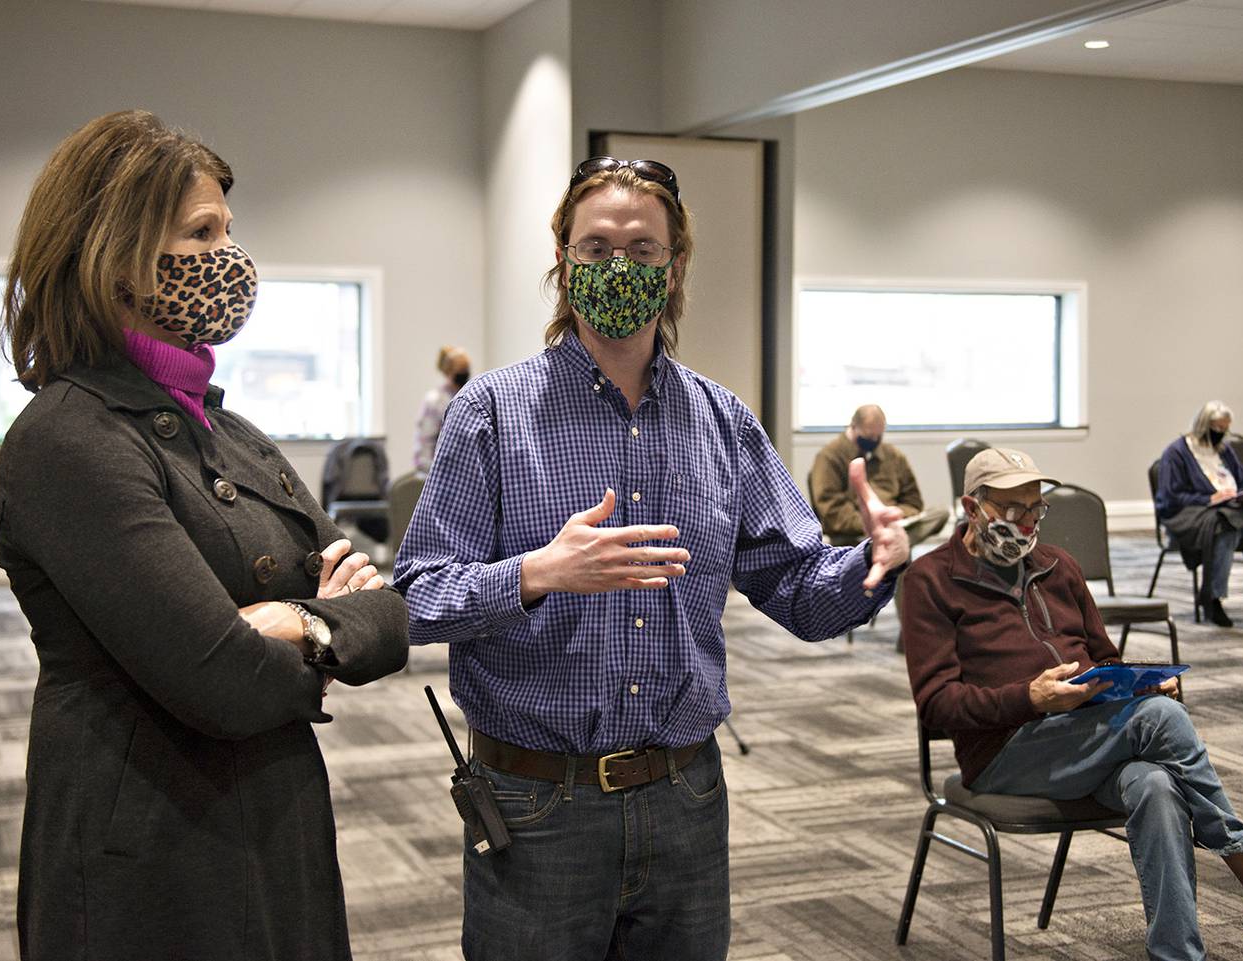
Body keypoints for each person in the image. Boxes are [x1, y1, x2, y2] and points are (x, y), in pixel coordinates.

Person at [393, 156, 911, 961]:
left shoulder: (722, 420)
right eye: (595, 247)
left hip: (686, 799)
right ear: (563, 265)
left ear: (674, 268)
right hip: (538, 804)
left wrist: (873, 563)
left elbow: (800, 588)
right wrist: (537, 573)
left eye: (641, 248)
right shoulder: (491, 414)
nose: (617, 266)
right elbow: (417, 595)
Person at [0, 110, 409, 961]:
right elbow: (225, 681)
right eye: (201, 231)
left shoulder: (231, 430)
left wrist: (290, 621)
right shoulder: (69, 438)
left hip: (275, 820)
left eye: (229, 228)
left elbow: (390, 613)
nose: (230, 256)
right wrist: (317, 611)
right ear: (114, 255)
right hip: (149, 853)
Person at [901, 447, 1243, 961]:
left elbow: (1104, 657)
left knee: (1154, 783)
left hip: (1090, 739)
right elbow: (937, 705)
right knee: (1160, 720)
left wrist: (1137, 685)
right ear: (973, 509)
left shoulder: (1057, 567)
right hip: (1003, 756)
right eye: (1012, 510)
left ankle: (1178, 955)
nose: (1026, 522)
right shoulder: (930, 581)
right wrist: (1030, 698)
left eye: (1035, 509)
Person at [1156, 400, 1243, 627]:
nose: (1221, 434)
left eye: (1224, 429)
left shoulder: (1225, 451)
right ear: (1203, 425)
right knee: (1226, 527)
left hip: (1233, 509)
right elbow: (1170, 497)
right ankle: (1213, 598)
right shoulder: (1176, 453)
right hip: (1193, 515)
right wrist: (1208, 499)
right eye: (1216, 429)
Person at [810, 403, 948, 546]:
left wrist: (897, 515)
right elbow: (832, 511)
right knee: (885, 539)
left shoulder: (893, 456)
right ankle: (886, 544)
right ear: (853, 427)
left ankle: (888, 543)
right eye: (869, 436)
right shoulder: (829, 457)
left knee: (940, 513)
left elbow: (913, 501)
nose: (874, 441)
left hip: (895, 524)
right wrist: (871, 523)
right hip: (856, 533)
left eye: (879, 436)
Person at [412, 344, 471, 475]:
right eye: (460, 372)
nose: (464, 375)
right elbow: (425, 445)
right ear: (448, 372)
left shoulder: (471, 396)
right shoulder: (435, 401)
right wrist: (436, 472)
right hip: (439, 472)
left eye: (466, 370)